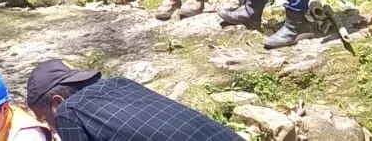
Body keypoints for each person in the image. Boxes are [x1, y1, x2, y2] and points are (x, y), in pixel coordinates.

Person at [25, 59, 239, 141]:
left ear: (57, 102)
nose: (52, 131)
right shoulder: (121, 83)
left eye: (46, 120)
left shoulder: (68, 111)